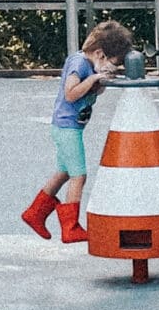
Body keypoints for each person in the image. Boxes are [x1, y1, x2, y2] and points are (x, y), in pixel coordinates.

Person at [20, 19, 131, 243]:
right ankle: (70, 226)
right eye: (112, 62)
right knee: (78, 176)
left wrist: (101, 82)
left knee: (63, 172)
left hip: (69, 127)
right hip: (67, 127)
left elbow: (92, 93)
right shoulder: (79, 64)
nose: (112, 67)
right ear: (99, 53)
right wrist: (93, 78)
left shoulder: (90, 65)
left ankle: (35, 213)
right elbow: (71, 93)